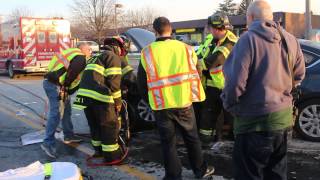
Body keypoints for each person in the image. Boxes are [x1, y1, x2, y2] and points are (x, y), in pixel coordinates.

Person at [221, 1, 305, 179]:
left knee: (249, 174)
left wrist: (229, 105)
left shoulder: (247, 39)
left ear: (250, 17)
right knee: (276, 174)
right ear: (270, 16)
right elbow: (298, 76)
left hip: (253, 123)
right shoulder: (290, 40)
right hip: (282, 120)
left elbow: (235, 83)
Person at [137, 16, 214, 180]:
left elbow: (142, 82)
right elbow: (198, 72)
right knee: (192, 138)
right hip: (184, 101)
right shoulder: (187, 49)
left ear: (155, 31)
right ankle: (200, 171)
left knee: (168, 143)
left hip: (161, 105)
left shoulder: (147, 52)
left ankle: (173, 176)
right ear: (170, 29)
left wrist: (150, 100)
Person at [73, 37, 124, 163]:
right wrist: (118, 102)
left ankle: (98, 151)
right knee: (109, 126)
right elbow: (114, 83)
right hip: (100, 97)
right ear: (117, 48)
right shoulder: (112, 57)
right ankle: (112, 157)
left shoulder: (95, 57)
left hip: (86, 98)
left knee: (95, 125)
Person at [41, 43, 92, 158]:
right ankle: (47, 143)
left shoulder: (70, 53)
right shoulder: (80, 57)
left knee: (66, 110)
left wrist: (67, 89)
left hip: (53, 83)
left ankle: (68, 135)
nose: (90, 52)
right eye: (89, 49)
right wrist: (66, 86)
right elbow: (73, 72)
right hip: (56, 85)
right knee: (56, 113)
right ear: (83, 49)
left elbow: (68, 72)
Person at [198, 13, 238, 145]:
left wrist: (195, 64)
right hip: (210, 85)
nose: (208, 31)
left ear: (215, 28)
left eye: (209, 28)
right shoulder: (211, 38)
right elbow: (199, 53)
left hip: (225, 86)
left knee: (232, 115)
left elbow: (214, 60)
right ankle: (206, 140)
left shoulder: (231, 42)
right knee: (208, 115)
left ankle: (236, 140)